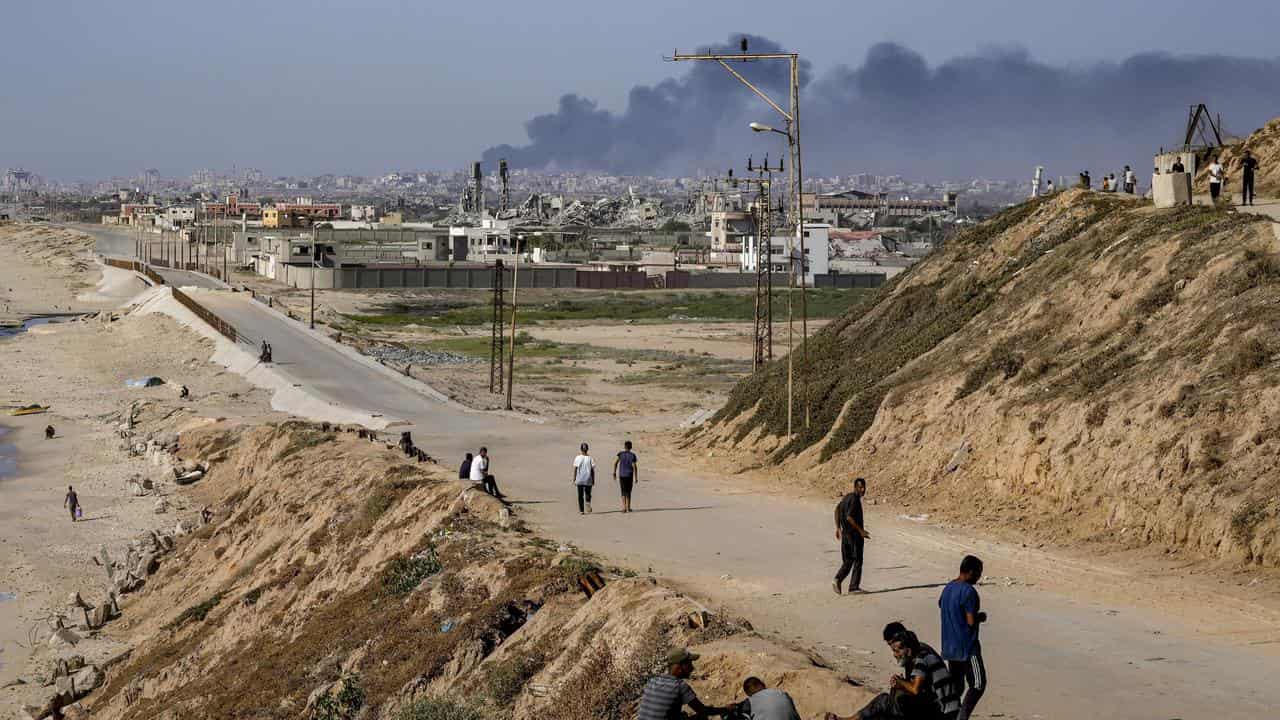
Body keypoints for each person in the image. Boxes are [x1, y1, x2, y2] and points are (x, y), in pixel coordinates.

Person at [825, 630, 960, 720]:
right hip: (940, 706)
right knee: (891, 703)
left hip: (944, 711)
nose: (895, 655)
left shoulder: (921, 659)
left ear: (908, 649)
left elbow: (915, 689)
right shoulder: (920, 655)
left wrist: (900, 682)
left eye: (897, 651)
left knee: (884, 701)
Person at [939, 556, 987, 720]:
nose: (978, 578)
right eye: (978, 574)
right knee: (978, 684)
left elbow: (942, 605)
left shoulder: (948, 588)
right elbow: (970, 621)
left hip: (949, 646)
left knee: (957, 687)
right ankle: (962, 717)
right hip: (967, 647)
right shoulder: (969, 592)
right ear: (972, 572)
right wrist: (980, 617)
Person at [638, 648, 728, 720]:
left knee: (683, 716)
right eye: (689, 664)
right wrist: (726, 709)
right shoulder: (679, 686)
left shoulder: (652, 681)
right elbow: (702, 710)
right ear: (679, 667)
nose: (692, 668)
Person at [833, 477, 870, 595]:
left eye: (864, 487)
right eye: (860, 487)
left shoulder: (847, 497)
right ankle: (853, 587)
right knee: (858, 560)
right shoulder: (854, 499)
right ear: (855, 488)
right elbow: (849, 517)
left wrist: (838, 527)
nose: (863, 489)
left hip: (845, 535)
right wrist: (861, 531)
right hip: (854, 536)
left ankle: (837, 579)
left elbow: (837, 510)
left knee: (848, 560)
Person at [613, 440, 639, 513]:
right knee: (628, 491)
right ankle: (628, 507)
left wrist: (614, 473)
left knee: (623, 491)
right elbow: (634, 466)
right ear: (631, 447)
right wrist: (636, 477)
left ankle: (624, 508)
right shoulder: (632, 455)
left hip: (622, 475)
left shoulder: (620, 454)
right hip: (629, 475)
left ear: (624, 447)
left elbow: (615, 463)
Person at [572, 442, 595, 514]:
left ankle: (581, 510)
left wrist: (574, 478)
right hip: (588, 478)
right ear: (587, 449)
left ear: (581, 449)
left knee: (580, 495)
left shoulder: (577, 457)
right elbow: (592, 470)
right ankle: (588, 502)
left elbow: (575, 468)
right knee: (588, 493)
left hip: (580, 479)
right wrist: (593, 479)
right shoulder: (590, 458)